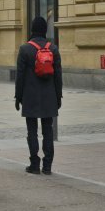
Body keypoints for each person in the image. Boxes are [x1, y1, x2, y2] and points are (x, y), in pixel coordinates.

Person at [14, 16, 63, 175]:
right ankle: (47, 166)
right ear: (44, 30)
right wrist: (58, 96)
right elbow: (58, 76)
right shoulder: (53, 49)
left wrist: (18, 97)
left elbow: (19, 76)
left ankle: (34, 164)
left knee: (32, 131)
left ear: (32, 29)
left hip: (30, 96)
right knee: (48, 130)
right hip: (49, 96)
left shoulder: (24, 49)